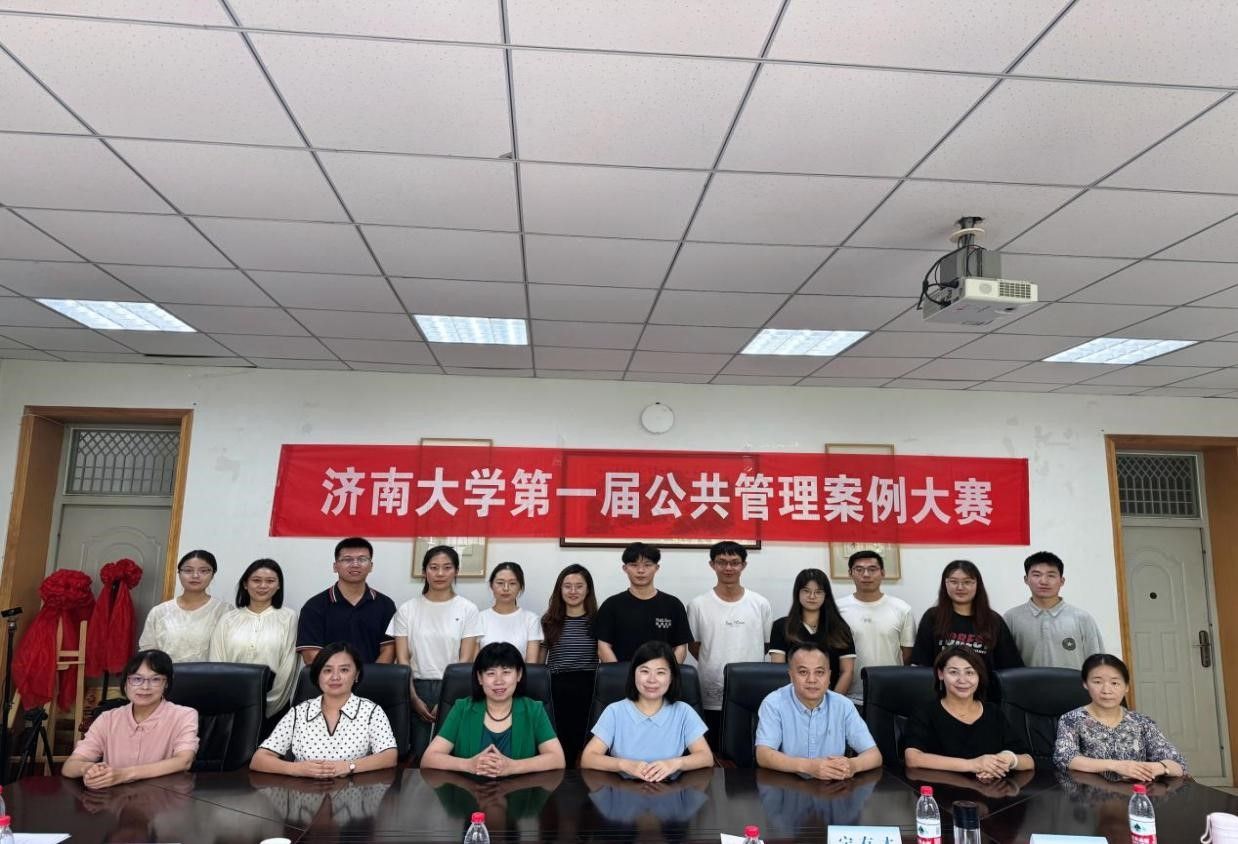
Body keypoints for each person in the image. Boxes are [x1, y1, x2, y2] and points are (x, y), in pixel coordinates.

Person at [388, 544, 482, 759]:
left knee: (453, 755)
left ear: (456, 571)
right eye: (433, 567)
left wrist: (449, 697)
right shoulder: (407, 609)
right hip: (415, 686)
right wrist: (412, 697)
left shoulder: (468, 609)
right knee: (418, 754)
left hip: (454, 688)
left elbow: (466, 659)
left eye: (447, 567)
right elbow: (402, 659)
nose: (440, 573)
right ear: (424, 571)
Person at [250, 642, 398, 777]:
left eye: (344, 670)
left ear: (356, 674)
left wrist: (349, 766)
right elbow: (259, 759)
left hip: (354, 791)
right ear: (317, 675)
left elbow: (389, 756)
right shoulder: (299, 713)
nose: (335, 677)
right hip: (303, 792)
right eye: (327, 670)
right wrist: (297, 769)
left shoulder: (371, 712)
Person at [421, 642, 565, 776]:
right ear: (480, 678)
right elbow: (429, 759)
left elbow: (557, 759)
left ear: (519, 675)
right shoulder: (462, 709)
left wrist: (512, 767)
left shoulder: (534, 710)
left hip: (520, 791)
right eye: (491, 673)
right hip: (469, 791)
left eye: (506, 672)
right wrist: (469, 765)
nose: (498, 681)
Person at [63, 649, 197, 788]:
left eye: (155, 679)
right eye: (137, 679)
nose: (145, 687)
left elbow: (184, 761)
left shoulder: (184, 715)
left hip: (164, 797)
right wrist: (89, 769)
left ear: (166, 683)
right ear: (126, 682)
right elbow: (69, 766)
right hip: (115, 798)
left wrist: (123, 774)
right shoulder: (108, 719)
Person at [581, 641, 712, 782]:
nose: (651, 680)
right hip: (623, 789)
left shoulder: (683, 711)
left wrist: (675, 764)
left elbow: (706, 757)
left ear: (671, 678)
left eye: (660, 672)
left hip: (670, 789)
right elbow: (588, 758)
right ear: (634, 674)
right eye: (644, 671)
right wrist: (624, 765)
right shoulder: (615, 711)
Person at [687, 541, 772, 746]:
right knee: (714, 749)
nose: (728, 568)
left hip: (751, 689)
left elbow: (766, 645)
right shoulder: (697, 605)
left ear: (744, 565)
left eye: (734, 562)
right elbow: (694, 646)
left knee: (751, 748)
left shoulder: (760, 603)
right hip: (711, 689)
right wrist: (715, 659)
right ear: (712, 565)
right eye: (721, 562)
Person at [755, 642, 882, 779]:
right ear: (791, 676)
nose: (812, 680)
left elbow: (874, 755)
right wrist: (809, 767)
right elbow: (763, 755)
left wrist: (852, 765)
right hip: (786, 786)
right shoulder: (773, 704)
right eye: (803, 672)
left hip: (833, 787)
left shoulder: (843, 706)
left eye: (819, 672)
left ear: (829, 676)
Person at [903, 647, 1033, 779]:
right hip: (941, 789)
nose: (962, 680)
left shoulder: (993, 712)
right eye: (954, 672)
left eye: (970, 672)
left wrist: (1008, 759)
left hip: (988, 789)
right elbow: (913, 758)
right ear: (941, 674)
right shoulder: (925, 712)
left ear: (979, 675)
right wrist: (973, 764)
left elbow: (1028, 761)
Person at [1053, 653, 1187, 779]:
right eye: (1097, 682)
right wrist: (1116, 766)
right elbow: (1065, 757)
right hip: (1091, 793)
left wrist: (1161, 767)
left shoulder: (1142, 722)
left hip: (1135, 792)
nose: (1106, 690)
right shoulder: (1071, 719)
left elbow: (1178, 764)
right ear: (1085, 684)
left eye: (1115, 683)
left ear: (1126, 687)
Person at [208, 558, 299, 722]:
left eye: (270, 581)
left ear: (278, 585)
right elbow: (216, 661)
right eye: (256, 580)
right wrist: (227, 697)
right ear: (245, 584)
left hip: (274, 704)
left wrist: (270, 703)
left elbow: (289, 665)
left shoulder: (288, 617)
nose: (263, 586)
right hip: (230, 701)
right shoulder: (228, 619)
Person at [910, 560, 1023, 689]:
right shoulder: (932, 617)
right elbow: (920, 665)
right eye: (954, 582)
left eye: (967, 582)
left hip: (985, 695)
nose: (960, 587)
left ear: (977, 585)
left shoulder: (993, 620)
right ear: (945, 584)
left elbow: (1010, 668)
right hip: (942, 695)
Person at [296, 537, 397, 666]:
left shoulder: (385, 605)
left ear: (371, 566)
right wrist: (341, 675)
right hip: (330, 678)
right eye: (347, 559)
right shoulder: (314, 606)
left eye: (362, 559)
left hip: (373, 678)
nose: (355, 564)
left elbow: (389, 650)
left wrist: (369, 676)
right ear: (335, 566)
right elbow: (311, 655)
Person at [836, 549, 916, 706]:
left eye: (872, 569)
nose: (866, 574)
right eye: (859, 569)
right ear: (850, 573)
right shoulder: (837, 609)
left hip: (890, 695)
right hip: (848, 696)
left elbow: (907, 655)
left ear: (883, 573)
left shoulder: (902, 609)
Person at [1004, 551, 1104, 669]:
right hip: (1027, 682)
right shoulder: (1011, 618)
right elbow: (1004, 663)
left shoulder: (1082, 618)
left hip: (1072, 682)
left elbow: (1098, 664)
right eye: (1036, 575)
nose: (1043, 581)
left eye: (1051, 575)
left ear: (1062, 581)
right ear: (1026, 579)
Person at [541, 563, 599, 767]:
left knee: (585, 742)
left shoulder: (597, 620)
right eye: (567, 586)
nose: (573, 591)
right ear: (560, 589)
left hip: (589, 687)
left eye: (579, 586)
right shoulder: (549, 621)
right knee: (560, 740)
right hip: (556, 687)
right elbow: (540, 662)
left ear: (588, 589)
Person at [594, 543, 691, 664]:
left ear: (657, 568)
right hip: (621, 674)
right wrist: (620, 673)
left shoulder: (673, 605)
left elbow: (681, 647)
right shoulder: (611, 605)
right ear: (625, 568)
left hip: (662, 675)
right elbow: (603, 647)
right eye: (634, 565)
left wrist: (666, 672)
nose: (640, 570)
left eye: (647, 565)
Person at [768, 569, 856, 695]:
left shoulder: (840, 628)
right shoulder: (781, 626)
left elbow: (847, 671)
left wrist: (833, 702)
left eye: (818, 592)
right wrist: (793, 702)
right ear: (797, 593)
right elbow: (779, 672)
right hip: (792, 700)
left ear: (826, 595)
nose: (812, 596)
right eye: (806, 591)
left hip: (832, 697)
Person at [139, 550, 231, 662]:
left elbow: (230, 652)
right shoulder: (159, 612)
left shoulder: (225, 611)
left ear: (212, 575)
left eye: (203, 571)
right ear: (179, 574)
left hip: (209, 673)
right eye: (188, 570)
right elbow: (147, 650)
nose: (195, 575)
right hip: (167, 672)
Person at [478, 562, 543, 663]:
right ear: (491, 585)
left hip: (520, 673)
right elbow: (474, 663)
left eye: (512, 583)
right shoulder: (479, 618)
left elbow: (531, 663)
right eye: (500, 583)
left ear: (520, 587)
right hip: (485, 673)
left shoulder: (531, 619)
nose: (506, 588)